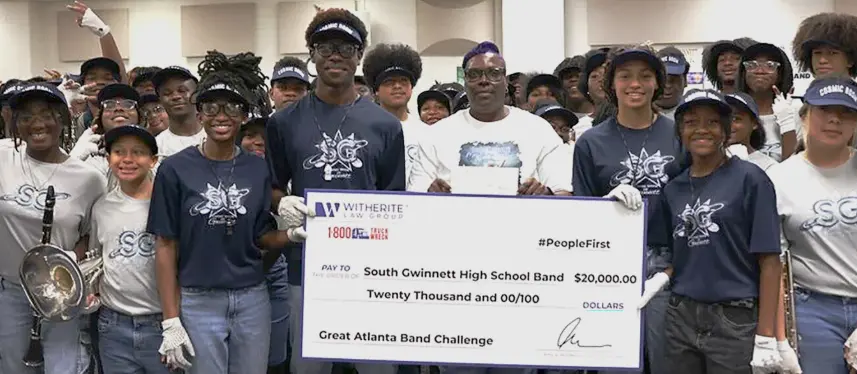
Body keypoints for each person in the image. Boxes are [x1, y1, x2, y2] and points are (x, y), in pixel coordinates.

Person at [409, 40, 572, 374]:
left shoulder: (537, 130)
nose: (484, 80)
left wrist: (547, 195)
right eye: (475, 74)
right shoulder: (437, 135)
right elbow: (412, 203)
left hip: (522, 277)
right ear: (466, 81)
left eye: (493, 73)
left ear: (506, 82)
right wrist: (431, 195)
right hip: (454, 280)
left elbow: (565, 195)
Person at [266, 8, 405, 374]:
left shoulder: (386, 125)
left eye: (346, 48)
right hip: (307, 261)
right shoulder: (282, 122)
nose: (336, 56)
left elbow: (395, 196)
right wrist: (286, 202)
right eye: (325, 47)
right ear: (311, 54)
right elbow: (272, 186)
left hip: (371, 264)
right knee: (308, 364)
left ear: (360, 55)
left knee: (376, 365)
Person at [148, 51, 302, 374]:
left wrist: (288, 235)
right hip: (198, 300)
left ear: (244, 114)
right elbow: (165, 245)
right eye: (211, 106)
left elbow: (260, 236)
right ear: (199, 113)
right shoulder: (174, 170)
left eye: (232, 106)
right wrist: (170, 319)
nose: (222, 115)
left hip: (251, 299)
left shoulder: (257, 168)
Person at [645, 89, 784, 374]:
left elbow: (770, 261)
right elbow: (674, 253)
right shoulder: (673, 189)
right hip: (680, 315)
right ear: (680, 130)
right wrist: (661, 276)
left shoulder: (751, 179)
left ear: (725, 129)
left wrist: (767, 337)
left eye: (712, 122)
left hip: (734, 318)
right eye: (691, 122)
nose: (701, 130)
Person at [572, 45, 683, 374]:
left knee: (667, 363)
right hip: (611, 265)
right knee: (614, 362)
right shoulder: (590, 142)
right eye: (625, 76)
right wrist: (604, 206)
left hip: (668, 267)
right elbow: (580, 213)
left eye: (645, 76)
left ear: (657, 84)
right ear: (611, 84)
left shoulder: (680, 134)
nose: (635, 84)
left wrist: (672, 271)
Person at [0, 82, 106, 374]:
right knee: (13, 367)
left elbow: (91, 235)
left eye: (46, 114)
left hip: (61, 291)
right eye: (26, 117)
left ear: (62, 118)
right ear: (14, 122)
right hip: (11, 291)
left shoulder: (89, 179)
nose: (37, 124)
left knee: (64, 368)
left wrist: (71, 258)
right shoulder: (2, 156)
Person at [768, 76, 857, 374]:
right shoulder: (779, 179)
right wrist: (778, 340)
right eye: (824, 110)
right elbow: (774, 266)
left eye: (846, 112)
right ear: (804, 116)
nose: (834, 119)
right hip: (813, 310)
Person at [90, 124, 168, 374]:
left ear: (153, 160)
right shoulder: (101, 207)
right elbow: (97, 259)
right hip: (113, 324)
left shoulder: (167, 204)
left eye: (138, 152)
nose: (127, 160)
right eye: (119, 152)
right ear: (108, 158)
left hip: (160, 322)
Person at [362, 42, 427, 186]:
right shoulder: (363, 130)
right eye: (389, 81)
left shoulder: (426, 132)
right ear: (376, 90)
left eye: (403, 81)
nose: (397, 86)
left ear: (412, 86)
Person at [737, 42, 797, 162]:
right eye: (752, 65)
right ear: (744, 74)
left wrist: (787, 122)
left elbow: (796, 167)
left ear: (780, 74)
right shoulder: (734, 112)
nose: (759, 70)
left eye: (770, 65)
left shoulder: (795, 111)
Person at [72, 83, 142, 176]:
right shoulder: (85, 154)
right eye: (109, 104)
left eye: (128, 104)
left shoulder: (155, 151)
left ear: (139, 116)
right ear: (100, 117)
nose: (118, 108)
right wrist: (72, 162)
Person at [150, 66, 203, 157]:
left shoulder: (215, 136)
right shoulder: (157, 147)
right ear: (160, 99)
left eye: (182, 91)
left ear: (196, 94)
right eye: (167, 93)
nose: (175, 96)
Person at [724, 92, 778, 171]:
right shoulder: (705, 161)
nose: (728, 124)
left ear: (754, 124)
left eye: (736, 118)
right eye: (724, 118)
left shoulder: (769, 166)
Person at [655, 46, 689, 120]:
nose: (667, 85)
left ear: (685, 81)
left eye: (673, 79)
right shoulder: (632, 116)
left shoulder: (696, 118)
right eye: (662, 79)